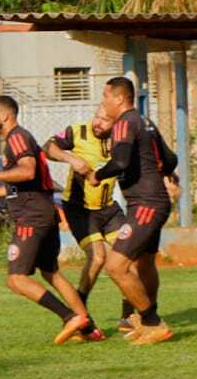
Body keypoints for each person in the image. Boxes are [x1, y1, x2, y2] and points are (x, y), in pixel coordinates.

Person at [0, 96, 101, 344]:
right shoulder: (19, 139)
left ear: (5, 116)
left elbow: (28, 171)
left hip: (32, 217)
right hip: (43, 211)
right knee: (52, 273)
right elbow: (20, 187)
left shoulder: (16, 137)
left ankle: (70, 317)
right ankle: (88, 329)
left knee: (16, 279)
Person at [88, 77, 180, 345]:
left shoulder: (124, 123)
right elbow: (171, 158)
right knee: (145, 263)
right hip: (152, 201)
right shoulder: (145, 121)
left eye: (105, 96)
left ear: (119, 98)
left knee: (115, 266)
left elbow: (120, 161)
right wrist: (160, 173)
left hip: (146, 204)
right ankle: (147, 318)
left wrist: (98, 175)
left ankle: (152, 321)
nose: (103, 101)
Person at [44, 106, 135, 333]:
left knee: (130, 257)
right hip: (79, 210)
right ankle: (80, 314)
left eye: (105, 120)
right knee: (97, 258)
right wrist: (69, 158)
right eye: (97, 116)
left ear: (115, 124)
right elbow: (47, 148)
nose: (98, 122)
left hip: (109, 210)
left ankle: (128, 316)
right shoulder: (78, 132)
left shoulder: (122, 139)